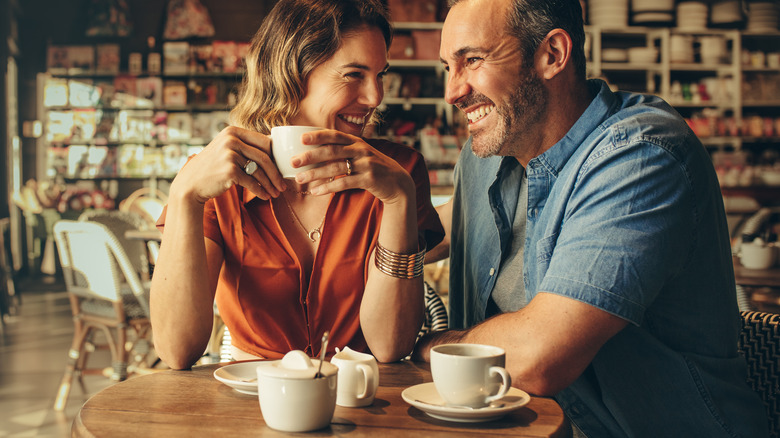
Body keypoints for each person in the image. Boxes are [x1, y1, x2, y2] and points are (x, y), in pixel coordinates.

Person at [414, 0, 769, 436]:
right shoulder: (486, 156)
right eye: (448, 66)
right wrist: (367, 207)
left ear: (553, 55)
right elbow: (451, 224)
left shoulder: (640, 156)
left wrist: (429, 346)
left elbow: (540, 357)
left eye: (472, 60)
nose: (452, 91)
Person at [150, 0, 444, 370]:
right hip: (251, 402)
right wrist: (183, 196)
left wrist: (400, 200)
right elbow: (176, 350)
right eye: (354, 74)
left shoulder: (398, 173)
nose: (375, 97)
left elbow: (389, 345)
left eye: (380, 75)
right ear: (291, 73)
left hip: (363, 407)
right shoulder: (215, 180)